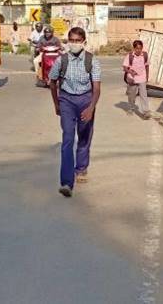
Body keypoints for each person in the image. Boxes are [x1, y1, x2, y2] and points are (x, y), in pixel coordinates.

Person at [48, 27, 101, 197]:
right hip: (67, 101)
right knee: (68, 139)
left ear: (84, 42)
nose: (75, 43)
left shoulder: (92, 61)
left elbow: (97, 88)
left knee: (84, 136)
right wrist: (56, 104)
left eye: (78, 40)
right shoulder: (61, 61)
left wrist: (91, 108)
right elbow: (52, 82)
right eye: (72, 40)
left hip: (86, 100)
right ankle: (66, 182)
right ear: (68, 41)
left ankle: (81, 168)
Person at [123, 40, 150, 119]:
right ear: (134, 48)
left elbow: (147, 66)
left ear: (142, 48)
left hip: (142, 78)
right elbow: (124, 67)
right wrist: (130, 71)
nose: (139, 50)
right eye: (137, 48)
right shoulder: (130, 56)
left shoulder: (145, 55)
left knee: (143, 95)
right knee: (132, 95)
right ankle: (131, 108)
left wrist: (147, 77)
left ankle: (145, 112)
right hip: (132, 79)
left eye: (140, 48)